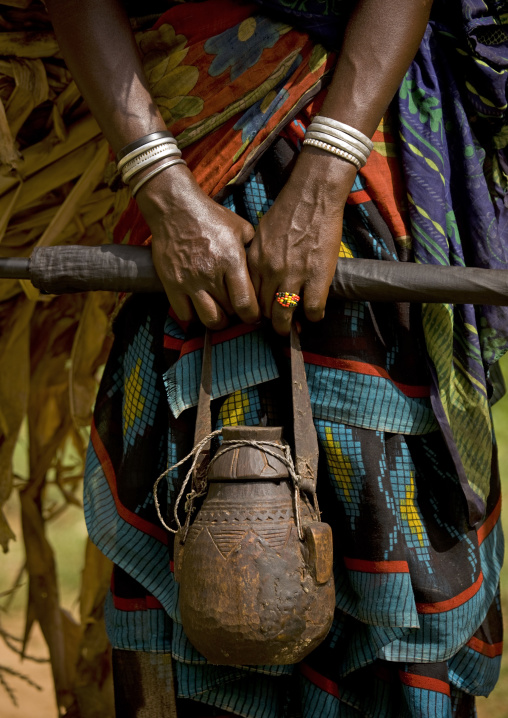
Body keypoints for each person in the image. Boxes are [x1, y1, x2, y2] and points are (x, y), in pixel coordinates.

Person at [44, 0, 507, 716]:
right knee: (186, 529)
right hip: (184, 147)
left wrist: (324, 180)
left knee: (392, 542)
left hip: (356, 137)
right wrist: (166, 194)